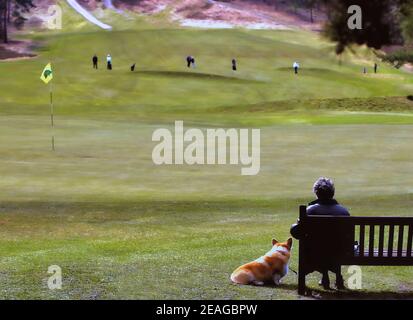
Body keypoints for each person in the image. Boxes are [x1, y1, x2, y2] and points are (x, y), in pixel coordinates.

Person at [291, 177, 350, 290]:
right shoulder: (343, 211)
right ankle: (334, 276)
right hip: (339, 252)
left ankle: (324, 276)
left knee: (319, 247)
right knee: (330, 247)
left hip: (315, 252)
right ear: (332, 193)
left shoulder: (310, 211)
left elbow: (296, 232)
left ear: (316, 193)